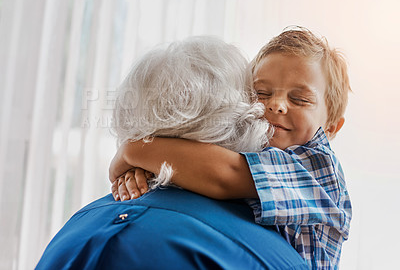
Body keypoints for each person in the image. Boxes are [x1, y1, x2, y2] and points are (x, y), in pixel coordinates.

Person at [36, 36, 308, 269]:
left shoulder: (76, 229)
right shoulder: (268, 256)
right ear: (243, 120)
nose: (272, 109)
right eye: (261, 94)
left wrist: (133, 151)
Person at [110, 27, 352, 269]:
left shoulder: (318, 168)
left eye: (299, 99)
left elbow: (224, 175)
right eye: (262, 93)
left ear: (331, 127)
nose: (276, 105)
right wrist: (145, 173)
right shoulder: (253, 152)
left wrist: (132, 152)